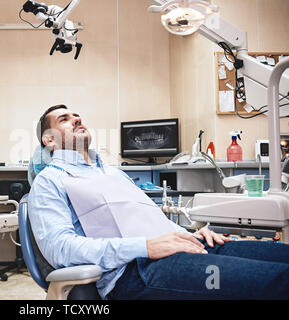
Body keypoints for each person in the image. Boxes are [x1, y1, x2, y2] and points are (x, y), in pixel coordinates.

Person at [28, 104, 289, 300]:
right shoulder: (50, 181)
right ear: (48, 140)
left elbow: (150, 219)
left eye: (77, 116)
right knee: (276, 281)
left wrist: (190, 233)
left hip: (183, 246)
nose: (76, 119)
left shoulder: (112, 173)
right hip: (136, 271)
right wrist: (145, 247)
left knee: (280, 258)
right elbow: (60, 250)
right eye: (64, 119)